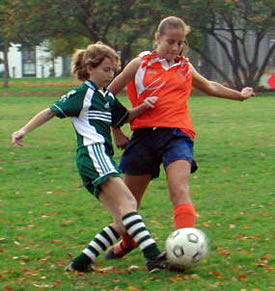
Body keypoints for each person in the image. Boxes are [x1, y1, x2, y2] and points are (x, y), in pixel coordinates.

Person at [105, 16, 256, 259]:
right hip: (143, 136)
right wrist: (117, 130)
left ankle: (185, 249)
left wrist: (239, 95)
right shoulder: (139, 64)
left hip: (178, 134)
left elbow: (210, 86)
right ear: (157, 39)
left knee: (179, 190)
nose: (175, 48)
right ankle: (128, 242)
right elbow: (107, 95)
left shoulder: (185, 66)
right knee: (129, 203)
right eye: (170, 42)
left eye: (180, 43)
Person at [11, 42, 167, 273]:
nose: (110, 74)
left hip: (98, 158)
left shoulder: (107, 98)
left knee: (122, 223)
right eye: (106, 69)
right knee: (129, 203)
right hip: (92, 153)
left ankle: (81, 263)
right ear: (90, 68)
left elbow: (123, 118)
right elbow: (50, 111)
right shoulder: (83, 94)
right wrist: (23, 130)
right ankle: (153, 257)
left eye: (113, 70)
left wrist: (143, 106)